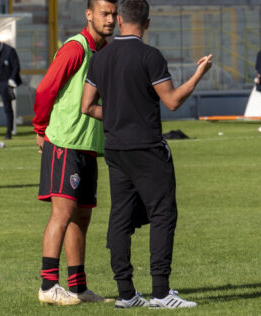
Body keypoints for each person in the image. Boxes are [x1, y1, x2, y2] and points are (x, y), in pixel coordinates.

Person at [81, 0, 212, 309]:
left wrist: (115, 117)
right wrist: (198, 74)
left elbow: (87, 106)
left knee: (121, 217)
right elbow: (172, 101)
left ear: (120, 19)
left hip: (114, 147)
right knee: (163, 214)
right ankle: (161, 292)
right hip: (146, 148)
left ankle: (126, 294)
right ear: (148, 23)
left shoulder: (101, 58)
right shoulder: (150, 56)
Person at [32, 0, 116, 306]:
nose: (111, 19)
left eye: (114, 14)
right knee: (63, 214)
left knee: (81, 219)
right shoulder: (75, 48)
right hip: (65, 143)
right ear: (89, 15)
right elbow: (45, 90)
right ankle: (48, 285)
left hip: (89, 146)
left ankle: (78, 287)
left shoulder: (104, 51)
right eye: (105, 13)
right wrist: (40, 129)